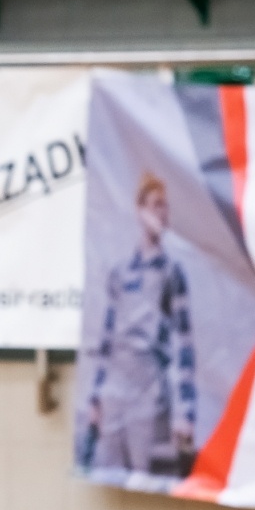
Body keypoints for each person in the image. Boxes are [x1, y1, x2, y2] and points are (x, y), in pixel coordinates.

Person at [81, 173, 196, 477]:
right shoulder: (121, 273)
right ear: (140, 209)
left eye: (166, 207)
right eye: (156, 205)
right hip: (115, 395)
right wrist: (96, 399)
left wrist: (186, 413)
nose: (162, 213)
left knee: (146, 478)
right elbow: (106, 341)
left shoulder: (171, 272)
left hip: (150, 396)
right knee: (109, 474)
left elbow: (184, 346)